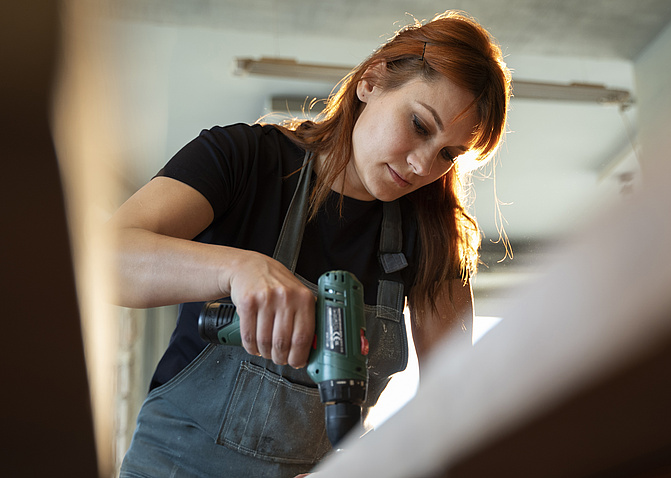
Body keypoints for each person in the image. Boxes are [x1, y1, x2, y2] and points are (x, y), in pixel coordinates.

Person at [112, 10, 511, 478]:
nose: (424, 166)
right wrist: (237, 270)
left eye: (449, 154)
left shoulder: (432, 237)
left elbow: (455, 406)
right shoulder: (243, 159)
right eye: (420, 125)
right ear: (371, 81)